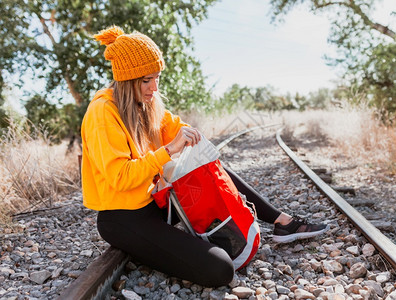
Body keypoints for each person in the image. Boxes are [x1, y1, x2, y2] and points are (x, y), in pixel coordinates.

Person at [81, 26, 329, 287]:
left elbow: (177, 128)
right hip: (123, 217)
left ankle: (282, 222)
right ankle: (150, 247)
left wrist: (192, 139)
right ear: (126, 79)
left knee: (210, 166)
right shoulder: (103, 113)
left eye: (157, 78)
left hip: (157, 202)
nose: (154, 88)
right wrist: (167, 152)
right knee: (220, 269)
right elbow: (120, 178)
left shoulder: (146, 105)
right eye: (145, 80)